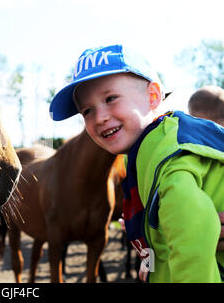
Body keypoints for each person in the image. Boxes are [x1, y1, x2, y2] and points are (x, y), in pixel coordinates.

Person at [49, 44, 224, 283]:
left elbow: (193, 246)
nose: (99, 117)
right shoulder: (150, 150)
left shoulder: (169, 161)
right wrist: (155, 263)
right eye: (87, 110)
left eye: (111, 98)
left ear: (153, 96)